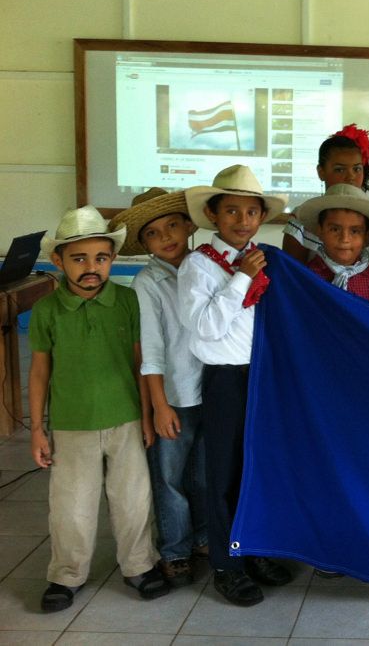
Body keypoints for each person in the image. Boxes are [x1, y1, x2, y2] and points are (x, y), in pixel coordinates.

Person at [28, 206, 168, 612]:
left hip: (125, 420)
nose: (92, 267)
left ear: (112, 259)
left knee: (133, 501)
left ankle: (139, 566)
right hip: (72, 426)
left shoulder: (127, 301)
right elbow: (39, 372)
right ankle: (66, 574)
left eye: (101, 258)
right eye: (79, 258)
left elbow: (144, 363)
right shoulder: (47, 310)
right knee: (72, 506)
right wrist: (37, 428)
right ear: (58, 261)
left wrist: (145, 415)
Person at [178, 165, 293, 606]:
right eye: (231, 211)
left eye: (251, 211)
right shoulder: (198, 266)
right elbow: (205, 327)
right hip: (226, 380)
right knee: (224, 472)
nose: (242, 220)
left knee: (259, 469)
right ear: (212, 214)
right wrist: (242, 276)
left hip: (263, 378)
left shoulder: (264, 258)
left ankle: (256, 550)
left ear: (261, 218)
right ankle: (227, 564)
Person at [109, 189, 207, 588]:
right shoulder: (147, 283)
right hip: (175, 398)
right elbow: (149, 350)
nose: (166, 236)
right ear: (143, 243)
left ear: (187, 226)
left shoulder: (205, 267)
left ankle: (203, 538)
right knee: (169, 478)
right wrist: (159, 406)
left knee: (203, 474)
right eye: (153, 233)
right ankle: (175, 550)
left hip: (211, 391)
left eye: (172, 225)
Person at [282, 123, 369, 264]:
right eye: (339, 169)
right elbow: (290, 273)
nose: (350, 177)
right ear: (321, 172)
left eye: (357, 169)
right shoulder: (301, 218)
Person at [297, 183, 369, 300]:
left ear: (367, 236)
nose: (344, 239)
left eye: (355, 231)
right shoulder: (304, 275)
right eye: (335, 229)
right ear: (320, 231)